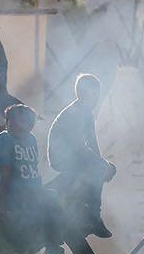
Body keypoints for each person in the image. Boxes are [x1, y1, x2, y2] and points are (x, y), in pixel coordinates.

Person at [47, 73, 116, 238]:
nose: (97, 97)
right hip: (62, 157)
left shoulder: (87, 113)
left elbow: (92, 144)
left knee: (100, 167)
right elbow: (79, 146)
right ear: (84, 92)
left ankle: (84, 208)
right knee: (97, 168)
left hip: (74, 156)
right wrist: (101, 165)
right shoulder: (75, 112)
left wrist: (104, 164)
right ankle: (93, 215)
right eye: (95, 92)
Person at [0, 104, 63, 254]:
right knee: (44, 207)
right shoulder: (4, 139)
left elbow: (33, 170)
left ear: (30, 125)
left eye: (23, 122)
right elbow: (5, 175)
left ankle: (52, 245)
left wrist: (39, 191)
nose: (16, 125)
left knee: (52, 199)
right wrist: (4, 208)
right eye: (11, 121)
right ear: (7, 122)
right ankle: (46, 246)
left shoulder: (31, 139)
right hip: (12, 195)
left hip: (30, 192)